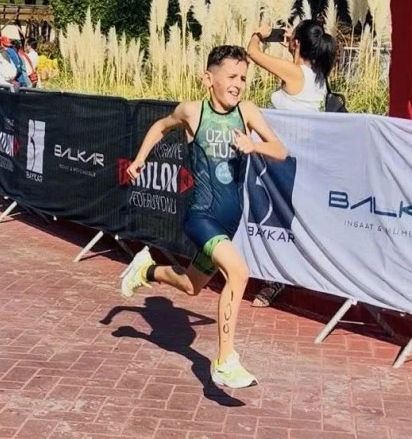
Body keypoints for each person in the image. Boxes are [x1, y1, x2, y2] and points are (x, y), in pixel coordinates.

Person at [119, 45, 287, 389]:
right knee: (238, 273)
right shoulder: (193, 112)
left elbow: (280, 150)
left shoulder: (247, 112)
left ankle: (145, 269)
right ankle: (224, 361)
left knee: (191, 286)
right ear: (208, 79)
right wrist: (139, 160)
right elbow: (160, 126)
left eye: (243, 78)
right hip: (201, 216)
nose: (238, 84)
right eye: (232, 76)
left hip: (229, 221)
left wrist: (254, 145)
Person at [245, 19, 337, 308]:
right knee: (283, 220)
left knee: (277, 220)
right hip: (296, 156)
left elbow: (252, 53)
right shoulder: (317, 75)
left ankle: (275, 280)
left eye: (292, 35)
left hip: (282, 158)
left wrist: (259, 34)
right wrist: (293, 47)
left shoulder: (295, 72)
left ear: (297, 42)